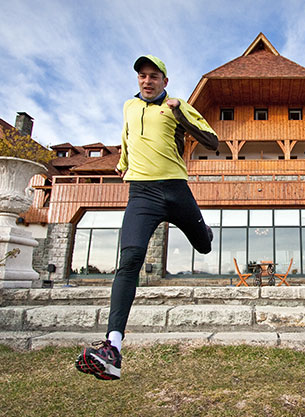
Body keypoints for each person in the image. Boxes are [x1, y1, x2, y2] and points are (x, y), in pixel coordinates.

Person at [75, 55, 218, 380]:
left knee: (204, 247)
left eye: (154, 76)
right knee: (130, 261)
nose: (147, 80)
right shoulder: (129, 106)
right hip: (141, 193)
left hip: (176, 190)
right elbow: (127, 136)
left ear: (164, 81)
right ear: (138, 79)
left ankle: (205, 231)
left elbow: (212, 140)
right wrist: (123, 161)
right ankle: (112, 349)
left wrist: (180, 112)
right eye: (142, 75)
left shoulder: (174, 104)